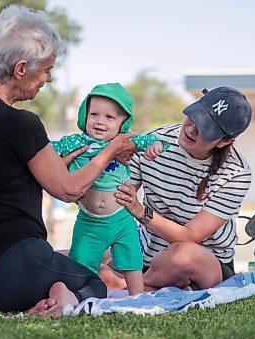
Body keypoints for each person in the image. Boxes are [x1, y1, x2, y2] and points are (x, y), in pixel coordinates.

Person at [0, 5, 137, 317]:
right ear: (21, 68)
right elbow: (69, 190)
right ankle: (58, 294)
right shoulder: (21, 124)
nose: (47, 78)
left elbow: (2, 175)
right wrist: (110, 150)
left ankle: (53, 289)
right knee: (92, 283)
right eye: (45, 69)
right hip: (6, 271)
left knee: (65, 261)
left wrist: (66, 158)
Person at [102, 86, 253, 291]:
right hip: (148, 255)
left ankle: (124, 286)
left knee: (184, 255)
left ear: (225, 141)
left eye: (205, 129)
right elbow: (114, 200)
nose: (191, 129)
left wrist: (141, 211)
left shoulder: (237, 173)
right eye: (195, 118)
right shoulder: (153, 141)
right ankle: (152, 286)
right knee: (75, 255)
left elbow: (190, 236)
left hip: (204, 264)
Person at [52, 83, 168, 295]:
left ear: (123, 123)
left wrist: (156, 145)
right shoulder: (76, 142)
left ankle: (137, 297)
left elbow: (148, 140)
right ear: (84, 116)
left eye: (109, 117)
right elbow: (48, 150)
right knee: (82, 264)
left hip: (121, 218)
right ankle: (80, 296)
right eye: (94, 114)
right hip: (89, 220)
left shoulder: (122, 142)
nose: (100, 121)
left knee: (131, 260)